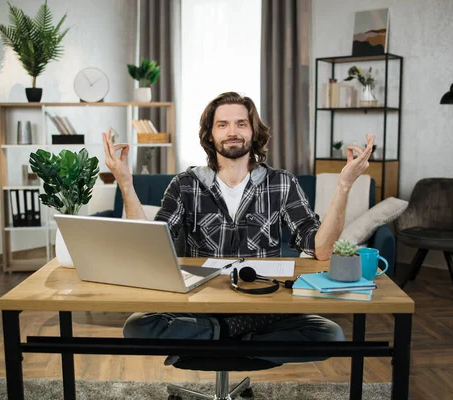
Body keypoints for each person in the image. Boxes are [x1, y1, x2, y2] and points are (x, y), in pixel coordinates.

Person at [101, 91, 375, 365]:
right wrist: (125, 183)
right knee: (138, 325)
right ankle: (234, 335)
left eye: (241, 124)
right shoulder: (185, 184)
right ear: (210, 135)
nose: (232, 132)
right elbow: (149, 248)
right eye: (223, 124)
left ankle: (211, 340)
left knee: (329, 335)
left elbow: (322, 250)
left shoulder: (281, 183)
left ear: (254, 132)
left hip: (266, 310)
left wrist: (344, 185)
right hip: (199, 309)